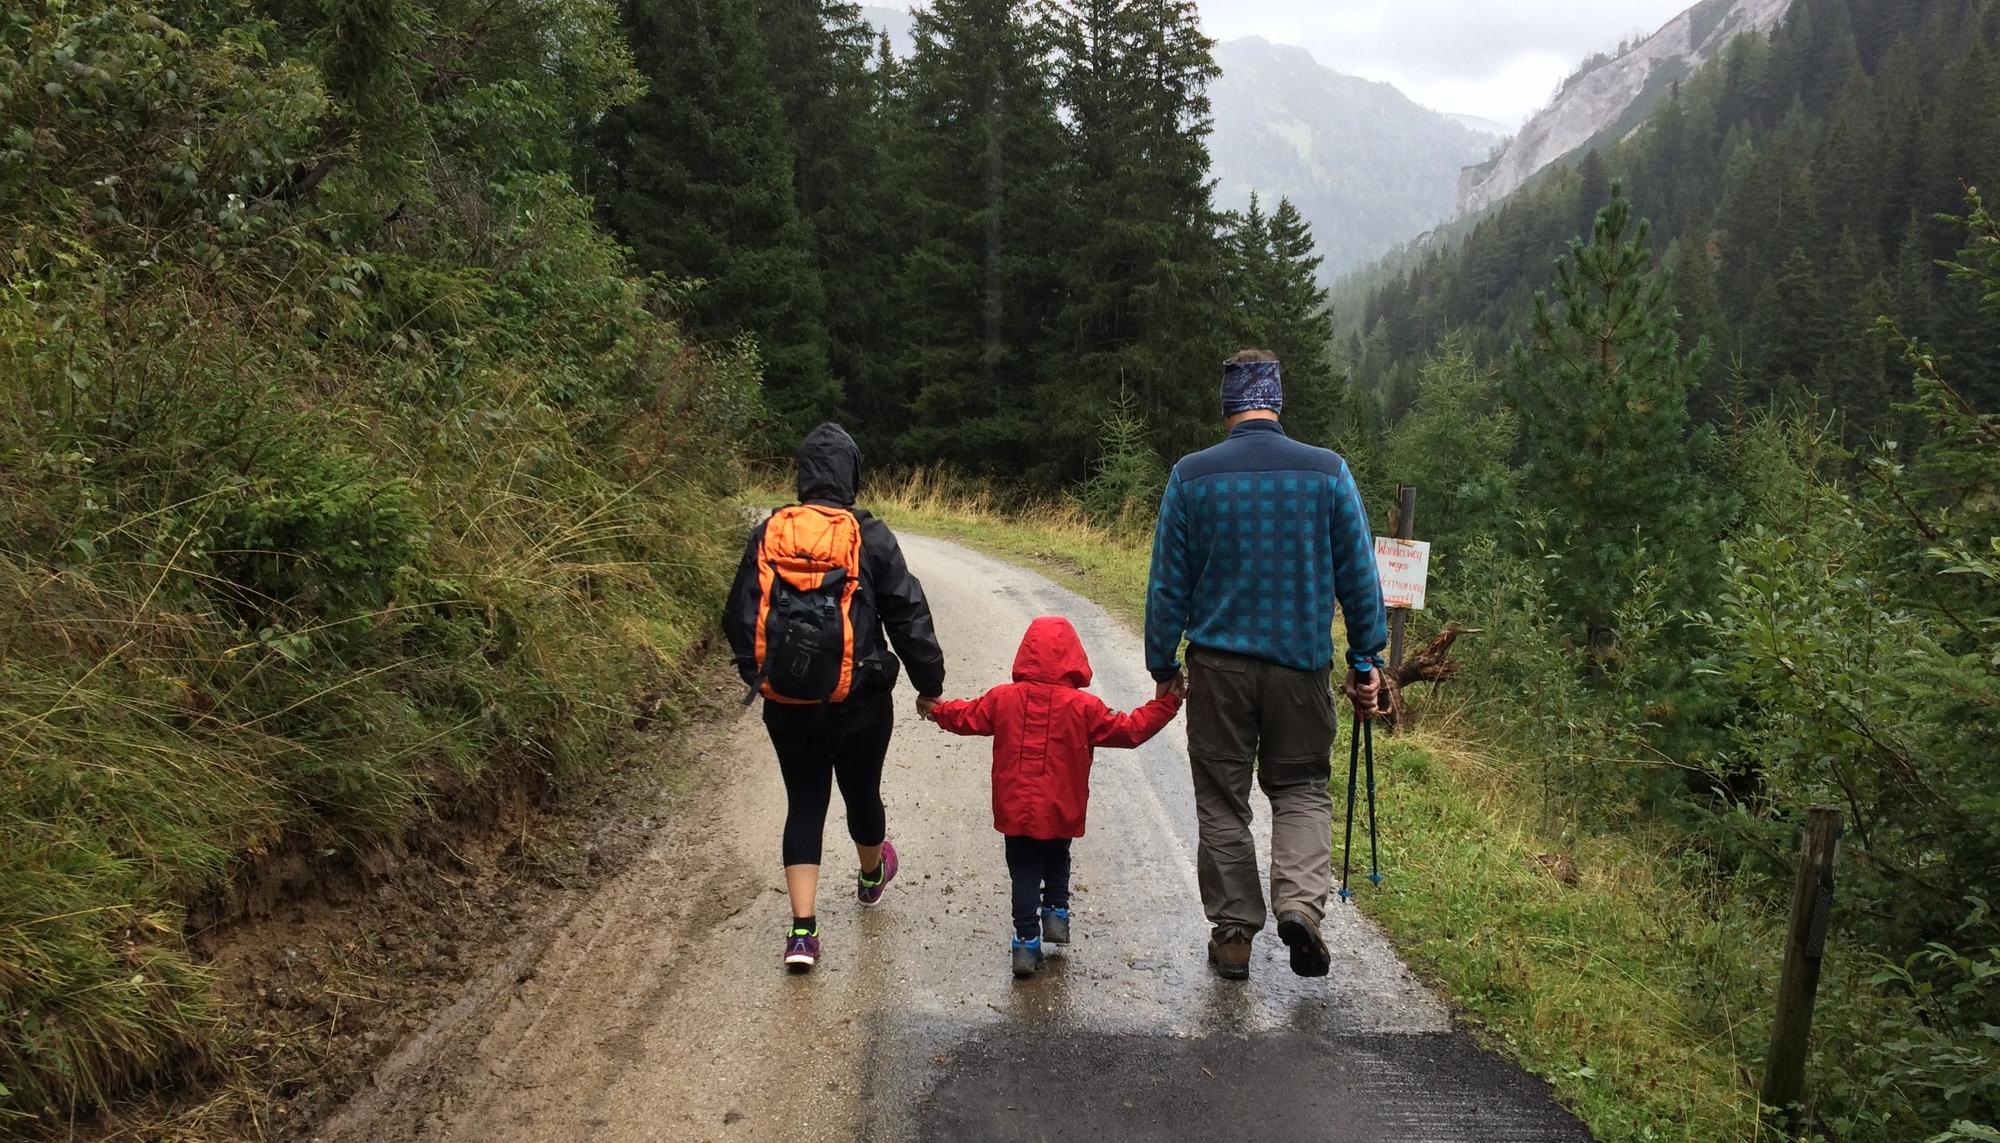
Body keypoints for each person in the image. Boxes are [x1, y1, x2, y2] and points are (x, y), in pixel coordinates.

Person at [1144, 349, 1389, 982]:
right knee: (1302, 788)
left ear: (1227, 405)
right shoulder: (1328, 473)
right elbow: (1360, 579)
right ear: (1277, 400)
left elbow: (1168, 585)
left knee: (1222, 800)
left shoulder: (1191, 478)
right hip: (1301, 667)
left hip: (1220, 670)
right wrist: (1367, 659)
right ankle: (1300, 909)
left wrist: (1161, 661)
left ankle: (1233, 936)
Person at [723, 423, 946, 973]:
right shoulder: (869, 535)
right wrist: (929, 684)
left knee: (804, 803)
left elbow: (737, 616)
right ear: (852, 474)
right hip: (861, 701)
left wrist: (764, 675)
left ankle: (802, 932)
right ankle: (872, 876)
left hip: (787, 703)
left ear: (802, 474)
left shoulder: (769, 532)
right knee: (861, 791)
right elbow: (907, 613)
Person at [926, 616, 1183, 978]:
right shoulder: (1085, 707)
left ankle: (1026, 942)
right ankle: (1057, 912)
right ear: (1073, 657)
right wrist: (1167, 704)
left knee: (1024, 870)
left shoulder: (1003, 699)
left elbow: (966, 715)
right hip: (1062, 805)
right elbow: (1129, 729)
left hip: (1015, 807)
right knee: (1058, 854)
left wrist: (936, 709)